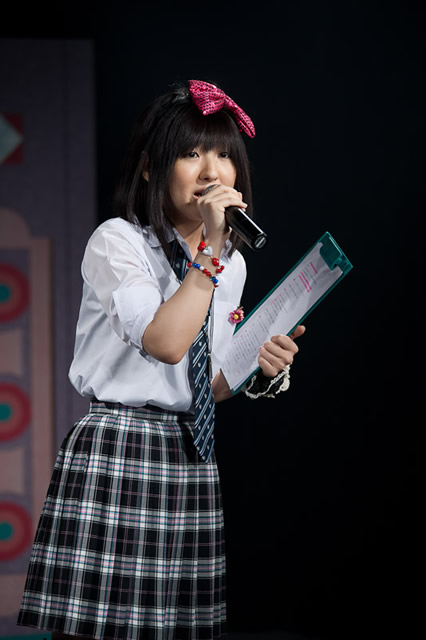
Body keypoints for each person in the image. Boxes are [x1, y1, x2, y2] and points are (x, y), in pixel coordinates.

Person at [18, 79, 305, 640]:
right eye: (191, 153)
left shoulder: (231, 264)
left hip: (191, 454)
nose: (212, 172)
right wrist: (210, 256)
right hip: (119, 450)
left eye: (224, 155)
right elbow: (167, 342)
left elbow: (207, 381)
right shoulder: (119, 242)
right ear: (151, 168)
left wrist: (259, 366)